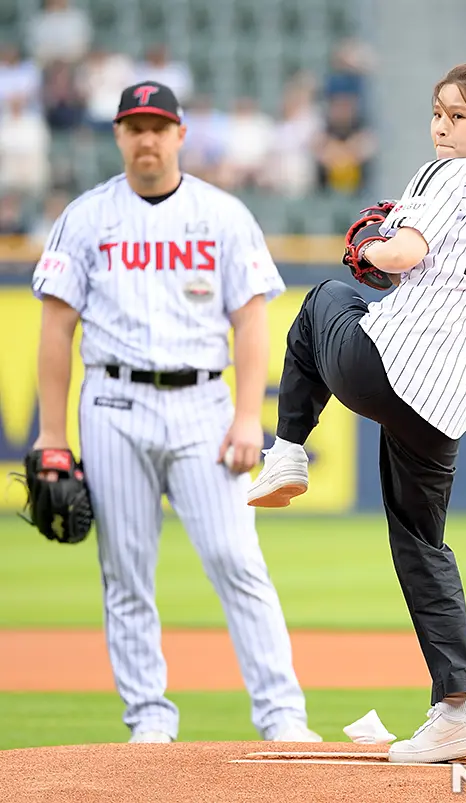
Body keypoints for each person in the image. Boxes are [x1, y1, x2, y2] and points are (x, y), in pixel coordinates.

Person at [248, 58, 466, 763]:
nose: (440, 128)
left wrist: (368, 243)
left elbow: (397, 255)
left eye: (457, 117)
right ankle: (456, 706)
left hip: (385, 365)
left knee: (324, 300)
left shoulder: (450, 174)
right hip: (446, 405)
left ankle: (287, 452)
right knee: (424, 545)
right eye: (436, 112)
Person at [30, 81, 321, 745]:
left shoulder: (222, 214)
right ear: (118, 135)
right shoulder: (86, 216)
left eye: (159, 126)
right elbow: (55, 329)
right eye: (135, 127)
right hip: (113, 400)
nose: (147, 139)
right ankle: (150, 719)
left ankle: (282, 715)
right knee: (125, 568)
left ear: (181, 134)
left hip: (201, 405)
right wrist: (52, 436)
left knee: (235, 558)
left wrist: (250, 417)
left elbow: (251, 320)